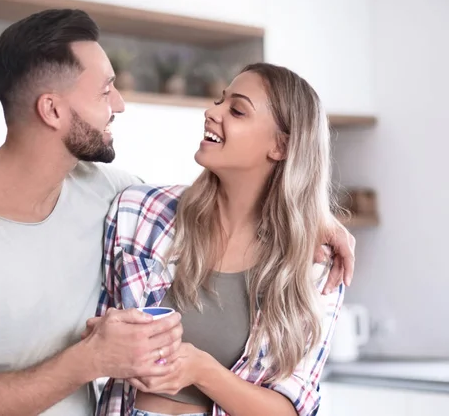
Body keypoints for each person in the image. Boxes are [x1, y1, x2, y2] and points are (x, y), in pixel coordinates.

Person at [0, 8, 354, 416]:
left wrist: (312, 221)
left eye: (237, 109)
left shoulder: (108, 194)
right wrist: (94, 358)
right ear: (51, 109)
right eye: (105, 91)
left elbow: (233, 203)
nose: (120, 104)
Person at [92, 63, 345, 416]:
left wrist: (201, 370)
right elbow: (93, 338)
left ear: (281, 146)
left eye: (237, 110)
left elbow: (290, 408)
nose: (211, 112)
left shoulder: (316, 266)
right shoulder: (140, 212)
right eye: (219, 101)